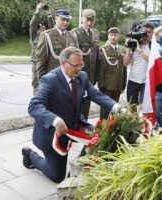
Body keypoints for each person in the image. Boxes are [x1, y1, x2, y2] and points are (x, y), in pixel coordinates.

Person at [22, 47, 118, 183]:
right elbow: (34, 106)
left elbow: (96, 94)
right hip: (54, 133)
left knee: (99, 137)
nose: (79, 69)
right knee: (57, 176)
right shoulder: (50, 80)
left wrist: (117, 107)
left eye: (81, 65)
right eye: (75, 66)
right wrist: (55, 120)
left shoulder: (82, 76)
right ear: (63, 63)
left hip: (74, 125)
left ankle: (80, 164)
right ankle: (29, 154)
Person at [71, 9, 100, 119]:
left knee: (87, 104)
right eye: (87, 20)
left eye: (92, 20)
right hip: (78, 75)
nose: (89, 23)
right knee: (76, 104)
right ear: (82, 18)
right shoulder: (75, 33)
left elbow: (97, 57)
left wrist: (96, 76)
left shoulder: (96, 34)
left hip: (91, 76)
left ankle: (84, 129)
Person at [36, 8, 77, 80]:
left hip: (69, 80)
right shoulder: (47, 36)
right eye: (63, 19)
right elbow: (41, 63)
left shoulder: (72, 36)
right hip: (53, 80)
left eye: (67, 20)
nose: (65, 22)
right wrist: (42, 83)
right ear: (55, 19)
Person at [123, 22, 154, 112]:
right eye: (144, 31)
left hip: (146, 81)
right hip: (133, 79)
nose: (146, 34)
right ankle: (134, 125)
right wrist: (128, 49)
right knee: (131, 107)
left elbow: (150, 60)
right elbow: (125, 63)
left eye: (149, 32)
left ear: (152, 33)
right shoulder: (134, 44)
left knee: (144, 108)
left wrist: (138, 49)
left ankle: (145, 125)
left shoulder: (153, 46)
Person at [98, 27, 127, 119]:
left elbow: (124, 68)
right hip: (107, 85)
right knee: (105, 110)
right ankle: (102, 129)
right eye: (111, 35)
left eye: (115, 35)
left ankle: (111, 130)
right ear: (108, 36)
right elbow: (100, 69)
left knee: (115, 109)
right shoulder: (103, 49)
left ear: (119, 36)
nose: (113, 37)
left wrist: (123, 83)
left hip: (118, 84)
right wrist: (101, 85)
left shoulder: (122, 50)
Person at [29, 3, 54, 95]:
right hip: (36, 63)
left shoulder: (48, 37)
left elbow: (53, 28)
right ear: (36, 30)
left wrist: (49, 13)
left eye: (43, 27)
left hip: (46, 63)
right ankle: (36, 105)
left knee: (47, 84)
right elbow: (32, 25)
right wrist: (37, 11)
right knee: (36, 85)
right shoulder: (34, 38)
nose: (42, 28)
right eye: (39, 28)